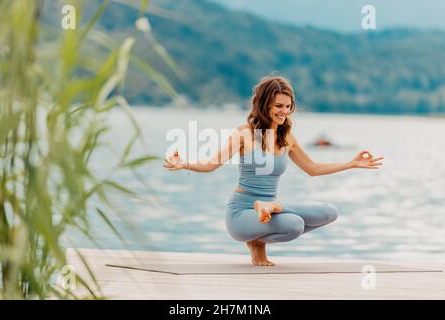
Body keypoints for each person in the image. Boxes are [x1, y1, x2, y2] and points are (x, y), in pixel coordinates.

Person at [163, 76, 384, 266]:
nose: (284, 112)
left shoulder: (286, 138)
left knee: (330, 212)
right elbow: (211, 164)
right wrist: (185, 163)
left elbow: (313, 168)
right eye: (279, 106)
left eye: (288, 107)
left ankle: (270, 211)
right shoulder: (245, 133)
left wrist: (351, 163)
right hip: (241, 214)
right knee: (295, 224)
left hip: (270, 211)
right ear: (264, 104)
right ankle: (260, 228)